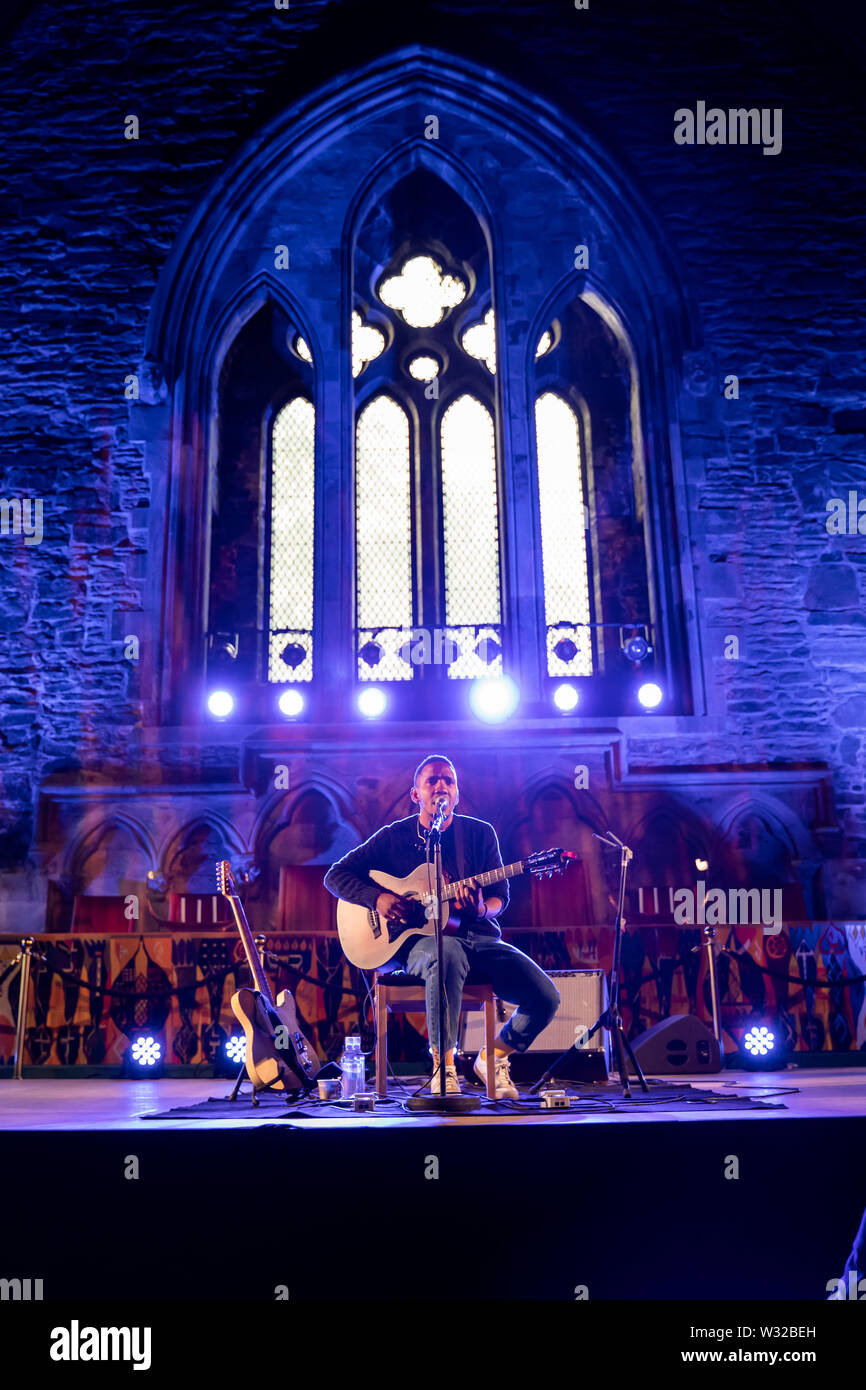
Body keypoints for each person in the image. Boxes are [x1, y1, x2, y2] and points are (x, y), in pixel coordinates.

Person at [323, 754, 560, 1097]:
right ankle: (443, 1065)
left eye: (448, 781)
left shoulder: (479, 834)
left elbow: (499, 898)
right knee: (444, 950)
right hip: (414, 944)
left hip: (478, 938)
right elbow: (336, 875)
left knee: (545, 996)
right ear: (415, 794)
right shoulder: (394, 837)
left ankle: (492, 1056)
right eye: (432, 780)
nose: (441, 786)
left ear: (457, 795)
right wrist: (379, 900)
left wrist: (480, 909)